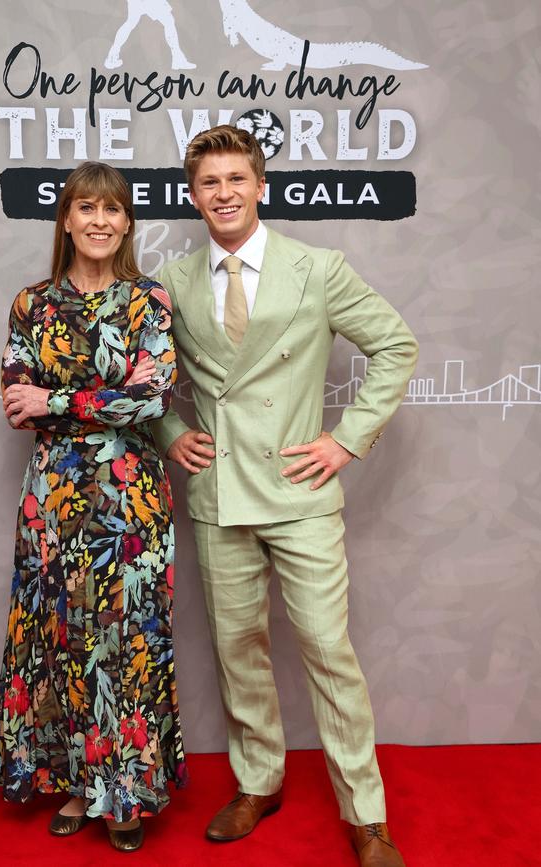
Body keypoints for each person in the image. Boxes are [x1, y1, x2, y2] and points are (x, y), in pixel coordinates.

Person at [151, 125, 418, 867]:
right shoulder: (172, 282)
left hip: (300, 492)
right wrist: (172, 428)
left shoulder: (318, 268)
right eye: (209, 183)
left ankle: (366, 815)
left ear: (260, 186)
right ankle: (259, 780)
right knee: (239, 649)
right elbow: (140, 375)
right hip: (220, 491)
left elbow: (395, 344)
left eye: (237, 179)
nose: (224, 193)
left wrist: (346, 438)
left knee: (328, 650)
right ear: (194, 194)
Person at [0, 161, 186, 853]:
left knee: (123, 645)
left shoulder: (147, 302)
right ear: (65, 218)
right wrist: (93, 401)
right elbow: (16, 402)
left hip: (130, 503)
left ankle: (123, 792)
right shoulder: (30, 305)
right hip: (52, 504)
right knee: (63, 640)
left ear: (127, 222)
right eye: (85, 207)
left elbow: (152, 399)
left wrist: (58, 401)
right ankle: (75, 783)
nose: (99, 220)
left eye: (112, 208)